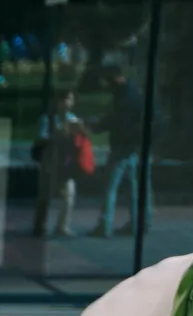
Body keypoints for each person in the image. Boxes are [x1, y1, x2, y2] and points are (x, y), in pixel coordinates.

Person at [91, 66, 152, 237]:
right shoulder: (132, 93)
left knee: (110, 187)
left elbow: (117, 120)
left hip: (122, 146)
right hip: (132, 147)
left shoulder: (125, 97)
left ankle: (105, 224)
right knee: (132, 189)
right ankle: (137, 223)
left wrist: (98, 125)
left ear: (115, 77)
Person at [33, 89, 90, 238]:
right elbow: (41, 139)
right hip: (50, 160)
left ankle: (62, 225)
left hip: (66, 161)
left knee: (69, 195)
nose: (68, 103)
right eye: (65, 99)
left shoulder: (72, 119)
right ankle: (40, 225)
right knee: (45, 194)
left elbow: (82, 138)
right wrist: (57, 134)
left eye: (70, 100)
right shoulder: (49, 119)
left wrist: (81, 130)